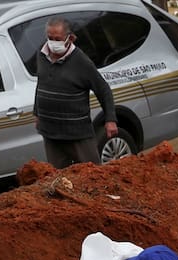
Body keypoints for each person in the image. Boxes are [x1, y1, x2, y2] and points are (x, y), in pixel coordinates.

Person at [34, 18, 118, 169]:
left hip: (77, 134)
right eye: (50, 38)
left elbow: (103, 89)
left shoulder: (81, 61)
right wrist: (37, 113)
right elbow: (41, 83)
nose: (53, 43)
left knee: (92, 175)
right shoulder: (41, 54)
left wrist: (110, 119)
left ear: (70, 38)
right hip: (51, 132)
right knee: (58, 179)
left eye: (57, 39)